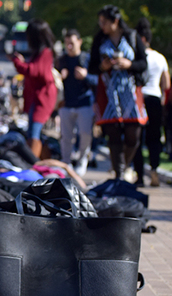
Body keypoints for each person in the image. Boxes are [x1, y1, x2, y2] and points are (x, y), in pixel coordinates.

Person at [89, 4, 148, 182]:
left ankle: (123, 167)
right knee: (112, 134)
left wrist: (129, 64)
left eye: (104, 22)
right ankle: (119, 176)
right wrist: (103, 66)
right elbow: (91, 67)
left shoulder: (132, 37)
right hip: (107, 94)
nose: (102, 26)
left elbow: (143, 64)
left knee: (133, 134)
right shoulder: (99, 40)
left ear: (115, 21)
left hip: (130, 93)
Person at [11, 18, 57, 158]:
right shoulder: (40, 52)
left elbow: (34, 71)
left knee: (34, 132)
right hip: (38, 98)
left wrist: (18, 62)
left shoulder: (46, 52)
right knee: (34, 132)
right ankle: (42, 160)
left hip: (43, 98)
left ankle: (32, 164)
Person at [132, 18, 169, 187]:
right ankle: (154, 169)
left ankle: (139, 176)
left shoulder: (135, 57)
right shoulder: (160, 58)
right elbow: (166, 84)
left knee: (137, 138)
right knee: (154, 138)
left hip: (139, 99)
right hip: (154, 98)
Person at [57, 29, 95, 177]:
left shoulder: (87, 59)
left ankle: (82, 161)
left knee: (85, 134)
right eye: (67, 44)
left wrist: (86, 76)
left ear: (79, 42)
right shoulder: (62, 60)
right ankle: (66, 163)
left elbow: (97, 80)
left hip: (84, 103)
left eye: (72, 43)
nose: (69, 47)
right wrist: (60, 77)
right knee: (66, 136)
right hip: (66, 104)